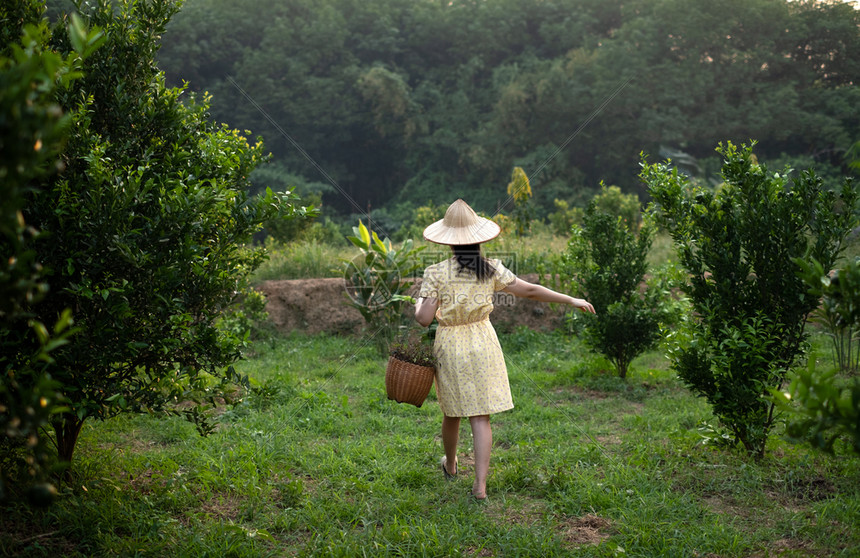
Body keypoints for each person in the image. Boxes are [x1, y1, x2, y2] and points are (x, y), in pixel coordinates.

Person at [414, 199, 595, 501]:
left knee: (452, 411)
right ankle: (480, 486)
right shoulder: (492, 269)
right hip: (483, 340)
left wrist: (418, 303)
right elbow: (531, 290)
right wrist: (570, 299)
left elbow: (423, 320)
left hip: (450, 344)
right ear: (478, 238)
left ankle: (451, 463)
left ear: (448, 241)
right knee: (481, 417)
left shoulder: (436, 272)